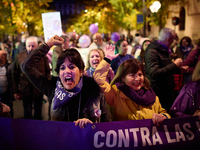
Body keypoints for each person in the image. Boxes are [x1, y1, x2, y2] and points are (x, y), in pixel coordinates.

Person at [21, 35, 111, 128]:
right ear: (59, 73)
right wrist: (48, 44)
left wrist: (92, 126)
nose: (67, 71)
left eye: (72, 67)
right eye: (62, 68)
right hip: (60, 141)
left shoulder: (94, 91)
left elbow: (107, 125)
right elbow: (26, 66)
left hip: (86, 141)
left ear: (81, 71)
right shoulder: (53, 87)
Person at [93, 44, 170, 126]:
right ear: (123, 78)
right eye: (132, 75)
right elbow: (97, 81)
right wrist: (107, 59)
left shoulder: (151, 95)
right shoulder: (115, 93)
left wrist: (163, 116)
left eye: (140, 75)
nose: (137, 78)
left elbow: (163, 112)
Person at [144, 28, 183, 112]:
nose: (173, 42)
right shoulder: (152, 51)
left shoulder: (164, 49)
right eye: (173, 39)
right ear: (168, 39)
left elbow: (165, 68)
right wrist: (174, 65)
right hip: (158, 93)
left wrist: (179, 69)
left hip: (167, 92)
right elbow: (154, 73)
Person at [12, 36, 51, 120]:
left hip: (39, 90)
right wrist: (15, 91)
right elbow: (15, 75)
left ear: (37, 46)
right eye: (29, 45)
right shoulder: (20, 57)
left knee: (38, 113)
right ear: (25, 46)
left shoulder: (42, 57)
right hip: (25, 90)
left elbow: (48, 71)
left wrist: (47, 87)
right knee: (27, 113)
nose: (31, 48)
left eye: (33, 46)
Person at [0, 50, 14, 117]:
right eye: (1, 55)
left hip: (6, 93)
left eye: (4, 55)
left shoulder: (9, 66)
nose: (3, 56)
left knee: (9, 109)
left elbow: (12, 80)